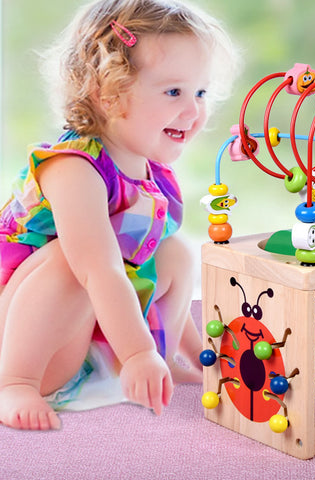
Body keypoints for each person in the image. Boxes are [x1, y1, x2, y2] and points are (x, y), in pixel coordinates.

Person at [0, 0, 238, 430]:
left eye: (200, 92)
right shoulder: (73, 167)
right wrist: (136, 353)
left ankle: (159, 364)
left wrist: (200, 353)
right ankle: (14, 383)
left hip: (88, 334)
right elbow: (99, 271)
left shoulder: (154, 175)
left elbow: (143, 270)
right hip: (17, 334)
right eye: (173, 92)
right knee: (73, 262)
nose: (193, 110)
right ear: (105, 93)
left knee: (175, 253)